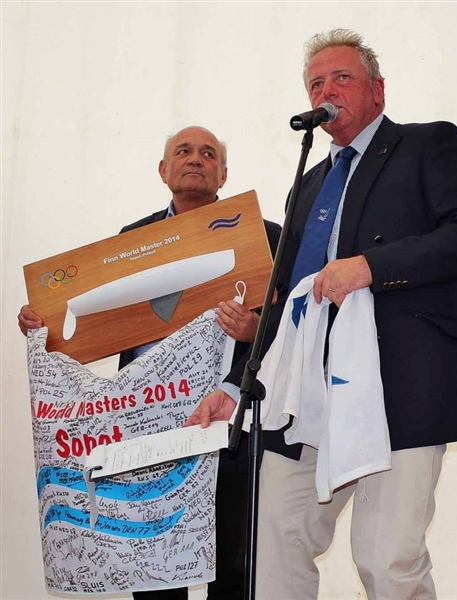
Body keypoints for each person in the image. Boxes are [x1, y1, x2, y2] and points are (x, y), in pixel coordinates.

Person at [185, 30, 457, 599]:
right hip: (305, 395)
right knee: (272, 545)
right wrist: (236, 386)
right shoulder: (306, 186)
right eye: (315, 84)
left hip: (399, 387)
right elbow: (286, 302)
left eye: (341, 78)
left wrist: (371, 267)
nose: (326, 91)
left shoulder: (428, 144)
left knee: (387, 561)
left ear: (377, 90)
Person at [18, 126, 283, 600]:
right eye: (184, 151)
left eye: (208, 154)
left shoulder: (263, 236)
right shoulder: (131, 240)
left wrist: (254, 329)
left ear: (224, 174)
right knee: (152, 564)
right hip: (148, 425)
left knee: (233, 566)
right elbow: (91, 321)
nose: (195, 159)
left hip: (227, 421)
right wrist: (43, 327)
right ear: (164, 170)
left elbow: (292, 323)